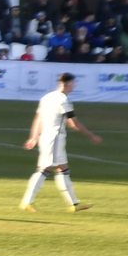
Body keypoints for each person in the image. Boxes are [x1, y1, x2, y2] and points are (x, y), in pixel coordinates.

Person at [20, 73, 101, 212]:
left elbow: (38, 118)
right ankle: (27, 201)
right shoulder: (64, 101)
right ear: (68, 83)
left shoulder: (47, 97)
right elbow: (73, 123)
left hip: (47, 136)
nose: (75, 85)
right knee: (45, 169)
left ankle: (73, 204)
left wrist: (34, 137)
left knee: (62, 169)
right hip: (55, 138)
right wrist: (91, 135)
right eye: (74, 83)